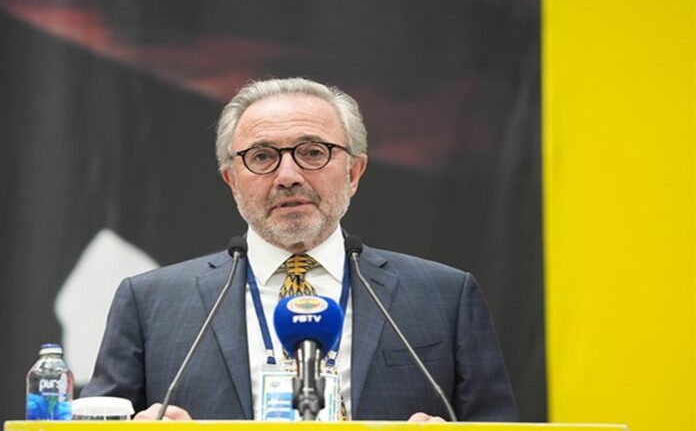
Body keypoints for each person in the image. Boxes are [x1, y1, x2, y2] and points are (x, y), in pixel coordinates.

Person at [81, 77, 518, 422]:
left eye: (312, 152)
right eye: (262, 157)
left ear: (354, 172)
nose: (288, 175)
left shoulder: (444, 296)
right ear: (231, 180)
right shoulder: (151, 302)